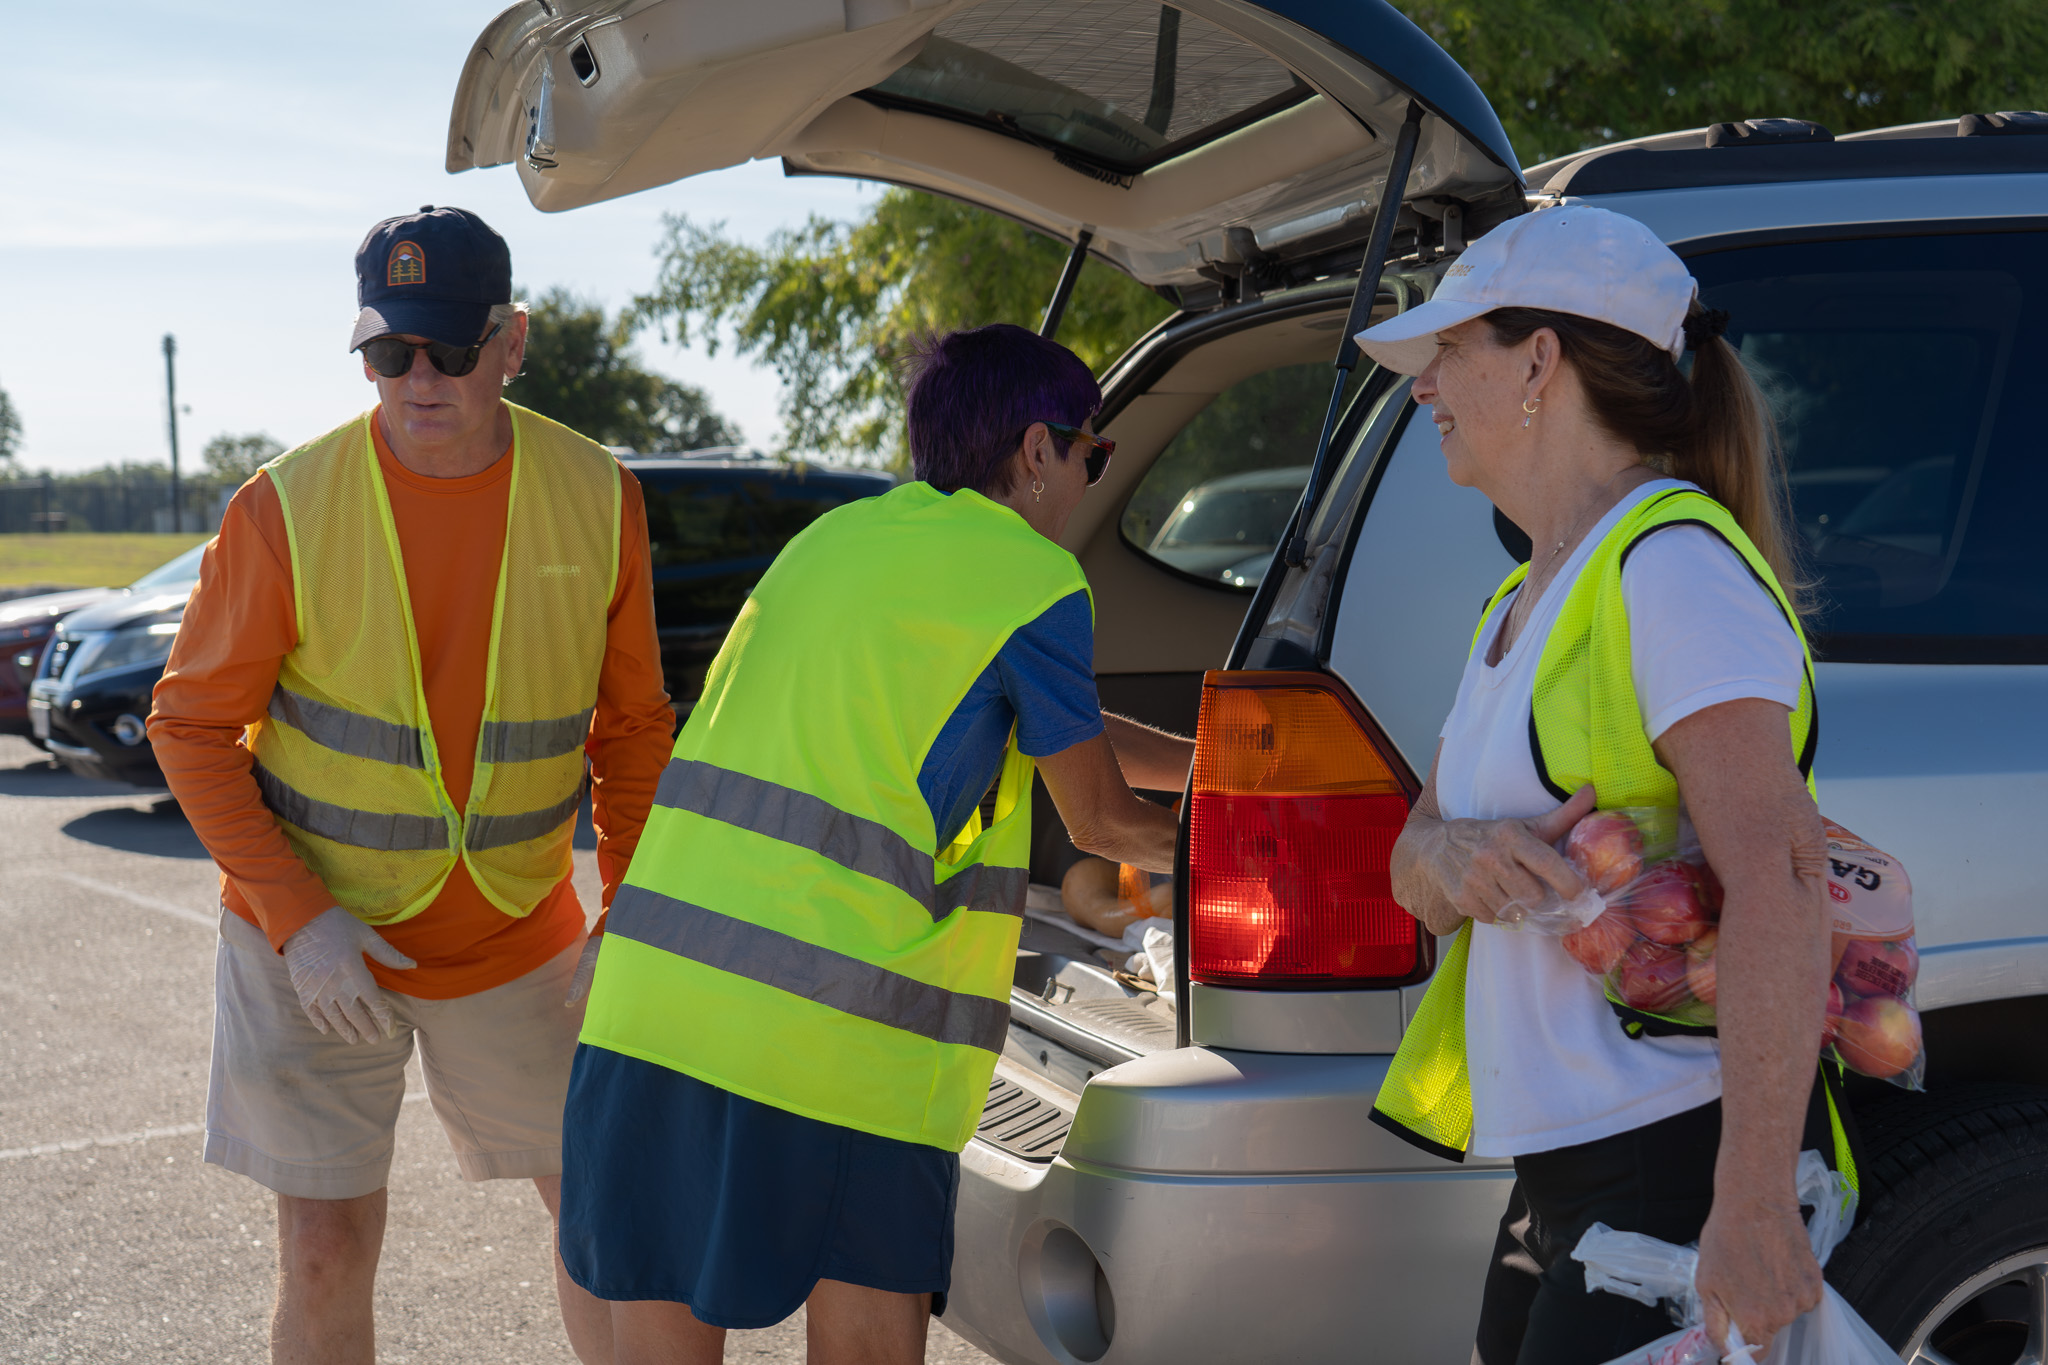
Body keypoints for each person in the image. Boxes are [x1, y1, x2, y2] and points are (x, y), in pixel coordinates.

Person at [556, 323, 1194, 1364]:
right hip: (833, 1041)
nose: (1090, 474)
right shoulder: (1027, 579)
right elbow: (1100, 821)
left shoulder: (834, 544)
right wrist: (1254, 836)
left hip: (652, 1016)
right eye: (1095, 452)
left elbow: (1053, 723)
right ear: (1037, 449)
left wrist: (1211, 760)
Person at [150, 205, 675, 1365]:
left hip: (518, 936)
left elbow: (631, 727)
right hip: (311, 948)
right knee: (325, 1251)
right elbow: (188, 726)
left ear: (513, 340)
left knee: (600, 1224)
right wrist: (301, 920)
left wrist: (631, 909)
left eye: (448, 347)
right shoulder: (285, 505)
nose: (418, 377)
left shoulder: (598, 494)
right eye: (390, 352)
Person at [1357, 206, 1847, 1364]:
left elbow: (1781, 877)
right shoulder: (1517, 599)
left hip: (1670, 1161)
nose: (1422, 387)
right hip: (1562, 1171)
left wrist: (1755, 1203)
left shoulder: (1669, 569)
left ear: (1538, 361)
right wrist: (1450, 854)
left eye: (1446, 351)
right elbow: (1414, 855)